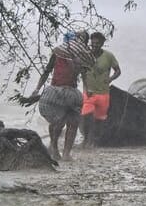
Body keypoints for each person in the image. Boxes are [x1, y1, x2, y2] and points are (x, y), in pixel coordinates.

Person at [22, 31, 94, 160]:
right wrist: (37, 89)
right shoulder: (68, 55)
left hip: (62, 92)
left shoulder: (68, 55)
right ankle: (59, 150)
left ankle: (60, 151)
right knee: (64, 123)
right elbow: (49, 71)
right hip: (64, 92)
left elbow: (82, 75)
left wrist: (37, 89)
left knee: (67, 122)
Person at [80, 32, 121, 147]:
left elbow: (118, 71)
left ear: (102, 43)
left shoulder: (109, 56)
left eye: (97, 43)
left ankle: (94, 141)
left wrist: (110, 79)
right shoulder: (86, 55)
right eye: (92, 43)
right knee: (86, 115)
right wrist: (85, 87)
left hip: (103, 93)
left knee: (99, 119)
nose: (94, 45)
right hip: (89, 92)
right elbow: (81, 72)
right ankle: (86, 139)